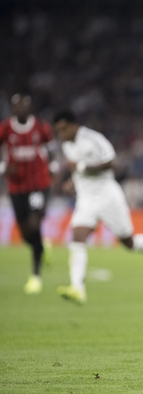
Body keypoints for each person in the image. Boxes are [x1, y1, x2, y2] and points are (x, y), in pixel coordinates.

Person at [52, 110, 143, 305]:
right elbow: (77, 170)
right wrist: (73, 181)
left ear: (74, 125)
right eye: (58, 131)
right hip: (86, 199)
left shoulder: (93, 139)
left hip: (108, 197)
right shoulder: (66, 145)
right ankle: (77, 288)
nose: (61, 134)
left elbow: (113, 164)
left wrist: (81, 167)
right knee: (77, 237)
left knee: (128, 242)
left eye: (64, 129)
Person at [0, 94, 58, 294]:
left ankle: (35, 276)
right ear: (13, 109)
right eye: (17, 106)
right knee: (25, 233)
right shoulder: (5, 129)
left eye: (25, 105)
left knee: (35, 223)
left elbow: (51, 151)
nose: (21, 109)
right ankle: (42, 246)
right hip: (16, 188)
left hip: (38, 185)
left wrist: (54, 167)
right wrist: (3, 168)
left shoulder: (42, 128)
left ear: (30, 107)